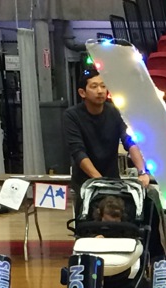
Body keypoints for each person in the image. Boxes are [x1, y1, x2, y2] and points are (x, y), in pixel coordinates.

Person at [63, 69, 149, 216]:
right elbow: (78, 152)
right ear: (82, 92)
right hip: (86, 183)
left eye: (103, 86)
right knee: (90, 223)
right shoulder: (72, 115)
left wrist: (142, 171)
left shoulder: (116, 112)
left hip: (113, 180)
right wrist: (100, 181)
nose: (100, 91)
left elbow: (130, 142)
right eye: (94, 86)